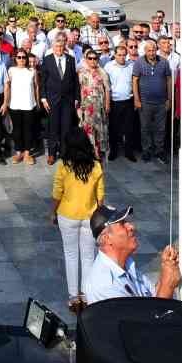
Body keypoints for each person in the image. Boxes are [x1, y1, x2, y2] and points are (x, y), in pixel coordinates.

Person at [80, 204, 180, 304]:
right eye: (122, 224)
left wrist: (165, 272)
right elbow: (150, 318)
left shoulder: (126, 264)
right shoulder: (105, 285)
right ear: (107, 239)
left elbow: (152, 296)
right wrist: (168, 286)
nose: (131, 226)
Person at [50, 128, 104, 314]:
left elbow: (58, 193)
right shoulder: (96, 166)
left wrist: (53, 212)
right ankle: (87, 297)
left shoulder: (64, 167)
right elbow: (100, 197)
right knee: (88, 256)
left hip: (67, 215)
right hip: (90, 217)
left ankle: (74, 299)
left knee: (71, 255)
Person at [39, 33, 79, 165]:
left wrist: (76, 98)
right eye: (57, 47)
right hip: (52, 100)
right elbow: (43, 81)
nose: (59, 49)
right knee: (53, 127)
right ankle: (51, 153)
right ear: (53, 47)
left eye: (61, 47)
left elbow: (75, 81)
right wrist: (43, 98)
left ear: (64, 47)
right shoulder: (48, 59)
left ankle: (64, 153)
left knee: (66, 127)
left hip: (68, 100)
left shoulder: (70, 59)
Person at [77, 49, 110, 161]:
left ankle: (97, 151)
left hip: (99, 105)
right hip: (86, 105)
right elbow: (80, 89)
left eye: (94, 58)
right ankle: (90, 150)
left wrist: (107, 104)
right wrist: (79, 105)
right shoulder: (81, 72)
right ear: (86, 60)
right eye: (89, 58)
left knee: (99, 129)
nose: (92, 60)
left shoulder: (102, 72)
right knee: (88, 129)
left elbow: (107, 90)